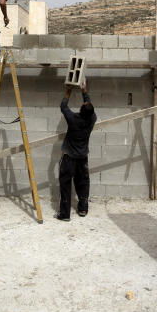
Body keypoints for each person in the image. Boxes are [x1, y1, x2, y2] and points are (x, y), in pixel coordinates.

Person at [56, 82, 96, 221]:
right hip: (82, 157)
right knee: (83, 182)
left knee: (65, 184)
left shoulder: (73, 118)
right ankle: (83, 209)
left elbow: (63, 106)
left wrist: (69, 91)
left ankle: (64, 214)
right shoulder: (92, 120)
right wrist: (84, 90)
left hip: (69, 157)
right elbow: (89, 106)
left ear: (80, 110)